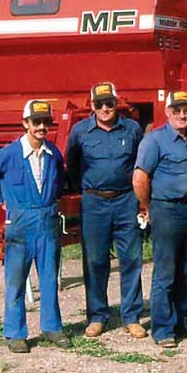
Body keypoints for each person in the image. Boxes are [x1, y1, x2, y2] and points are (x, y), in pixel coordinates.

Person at [0, 100, 69, 354]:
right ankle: (15, 333)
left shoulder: (53, 154)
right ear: (25, 123)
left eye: (46, 122)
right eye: (36, 122)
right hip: (20, 224)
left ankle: (52, 328)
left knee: (49, 279)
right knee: (16, 281)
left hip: (47, 222)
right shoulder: (9, 155)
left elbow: (59, 180)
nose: (42, 127)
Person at [66, 82, 146, 339]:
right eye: (99, 104)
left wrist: (141, 200)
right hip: (94, 203)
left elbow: (140, 165)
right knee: (95, 260)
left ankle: (131, 316)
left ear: (116, 103)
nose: (104, 108)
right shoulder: (80, 132)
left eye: (109, 103)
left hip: (126, 201)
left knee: (132, 259)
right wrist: (92, 190)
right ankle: (98, 316)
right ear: (92, 105)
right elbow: (72, 166)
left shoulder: (132, 129)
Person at [132, 91, 187, 348]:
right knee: (166, 273)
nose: (182, 115)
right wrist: (149, 206)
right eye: (177, 110)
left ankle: (180, 323)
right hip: (166, 211)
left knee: (186, 272)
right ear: (167, 112)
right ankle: (163, 330)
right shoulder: (155, 141)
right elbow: (140, 178)